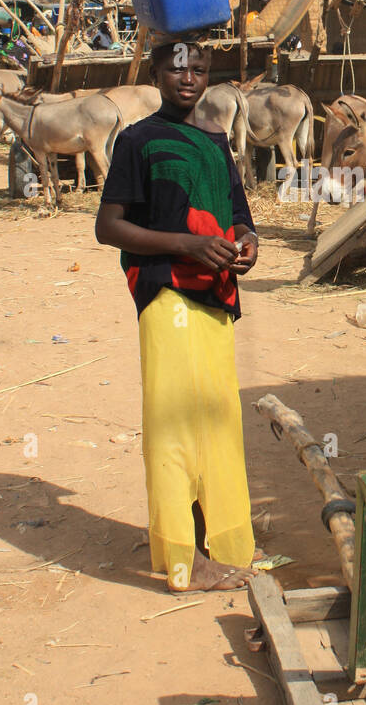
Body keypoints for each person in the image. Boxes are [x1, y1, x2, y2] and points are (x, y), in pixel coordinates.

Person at [95, 37, 260, 593]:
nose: (188, 76)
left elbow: (239, 216)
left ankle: (219, 541)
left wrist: (247, 242)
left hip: (216, 298)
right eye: (176, 67)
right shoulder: (138, 141)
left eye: (198, 68)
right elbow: (108, 227)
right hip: (166, 294)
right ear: (159, 73)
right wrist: (186, 245)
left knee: (216, 422)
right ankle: (186, 557)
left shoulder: (216, 144)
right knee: (174, 425)